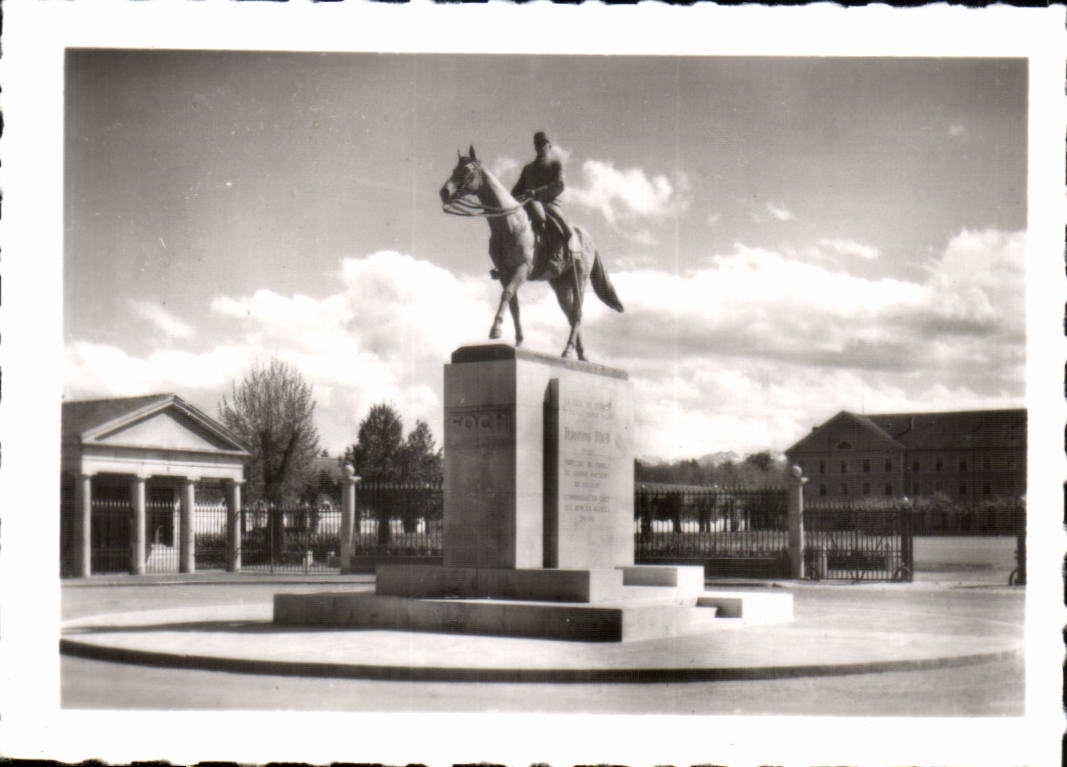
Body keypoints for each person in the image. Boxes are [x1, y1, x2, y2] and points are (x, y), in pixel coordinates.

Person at [511, 131, 582, 260]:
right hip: (529, 204)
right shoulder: (528, 169)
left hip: (550, 203)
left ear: (549, 146)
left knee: (560, 224)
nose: (540, 146)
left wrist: (536, 192)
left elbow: (559, 184)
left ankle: (562, 254)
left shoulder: (555, 164)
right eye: (537, 144)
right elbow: (516, 191)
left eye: (543, 144)